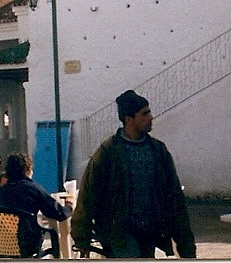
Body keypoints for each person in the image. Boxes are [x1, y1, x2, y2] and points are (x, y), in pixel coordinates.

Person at [71, 89, 195, 259]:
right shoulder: (109, 152)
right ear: (129, 120)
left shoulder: (158, 150)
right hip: (120, 232)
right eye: (144, 114)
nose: (151, 117)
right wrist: (81, 237)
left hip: (151, 230)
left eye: (149, 111)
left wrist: (186, 244)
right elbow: (88, 195)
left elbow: (174, 196)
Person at [0, 152, 72, 257]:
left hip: (1, 246)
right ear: (28, 170)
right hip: (27, 245)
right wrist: (69, 206)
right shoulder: (32, 189)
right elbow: (59, 213)